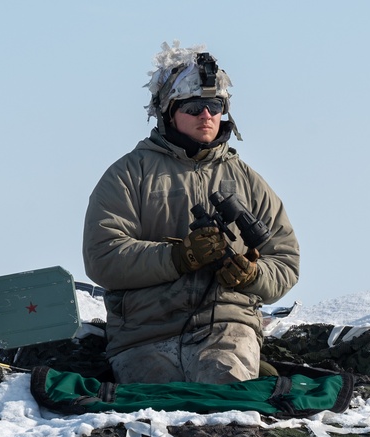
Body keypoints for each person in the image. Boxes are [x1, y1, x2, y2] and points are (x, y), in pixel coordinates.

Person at [83, 42, 299, 385]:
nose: (207, 115)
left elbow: (285, 261)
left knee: (227, 403)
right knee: (160, 407)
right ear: (169, 111)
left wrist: (251, 276)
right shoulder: (127, 175)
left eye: (215, 106)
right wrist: (178, 257)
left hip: (228, 328)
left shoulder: (249, 181)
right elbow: (102, 257)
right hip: (144, 336)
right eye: (195, 106)